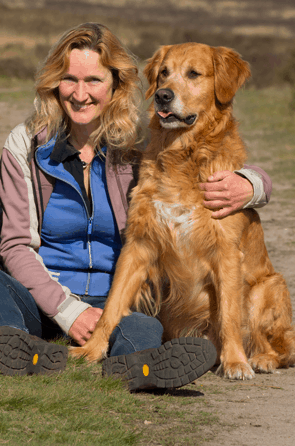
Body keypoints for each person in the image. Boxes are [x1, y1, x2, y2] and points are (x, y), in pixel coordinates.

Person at [0, 23, 272, 390]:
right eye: (69, 79)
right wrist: (68, 311)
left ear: (115, 85)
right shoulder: (26, 145)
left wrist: (253, 183)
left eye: (93, 80)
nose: (80, 94)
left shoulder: (139, 141)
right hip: (44, 293)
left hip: (112, 297)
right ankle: (20, 349)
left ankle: (132, 367)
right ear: (54, 83)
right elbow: (14, 245)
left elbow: (215, 157)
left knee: (144, 329)